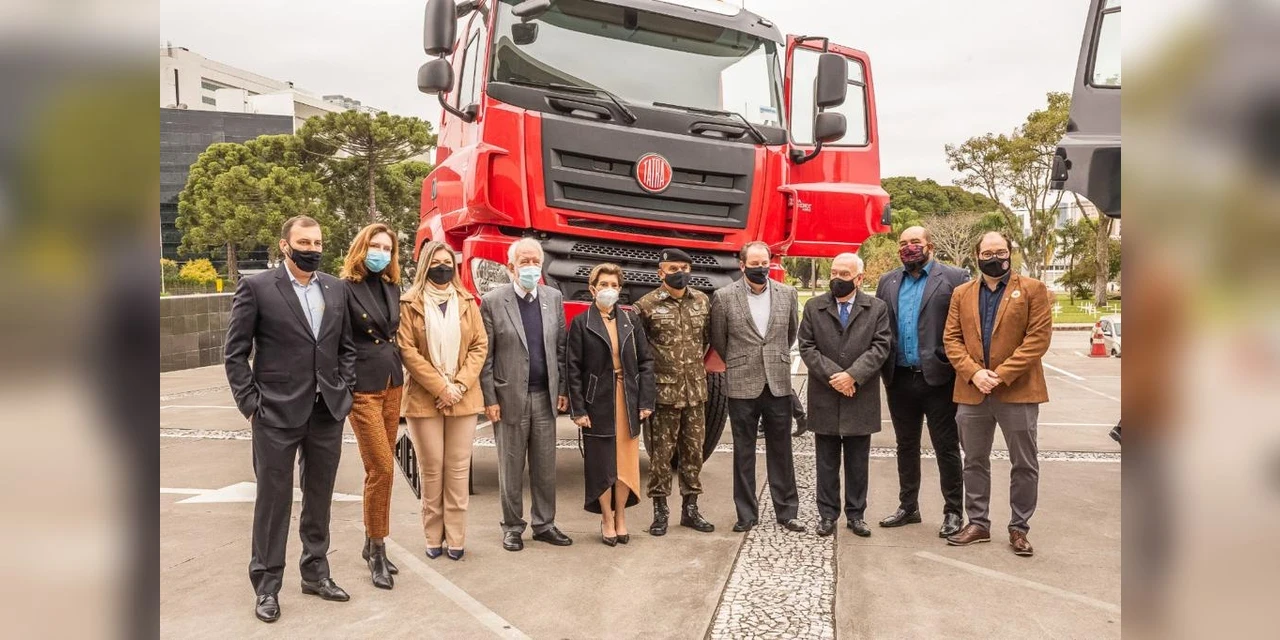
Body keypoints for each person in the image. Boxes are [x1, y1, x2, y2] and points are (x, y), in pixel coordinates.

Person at [224, 215, 355, 623]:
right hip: (275, 414)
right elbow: (235, 352)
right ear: (285, 245)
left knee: (319, 498)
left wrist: (344, 391)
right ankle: (266, 586)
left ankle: (316, 572)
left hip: (325, 412)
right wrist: (251, 404)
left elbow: (346, 347)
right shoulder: (258, 287)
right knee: (273, 503)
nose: (312, 248)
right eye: (304, 241)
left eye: (317, 242)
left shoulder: (336, 288)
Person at [943, 231, 1052, 557]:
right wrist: (974, 372)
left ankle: (1019, 527)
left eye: (1000, 251)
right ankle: (978, 523)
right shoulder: (961, 293)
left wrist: (1000, 375)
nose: (994, 257)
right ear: (976, 256)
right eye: (987, 252)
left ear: (1010, 253)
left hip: (1018, 391)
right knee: (974, 461)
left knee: (1024, 463)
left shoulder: (1033, 289)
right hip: (972, 391)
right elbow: (952, 339)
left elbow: (1038, 339)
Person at [875, 226, 970, 538]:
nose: (908, 247)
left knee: (946, 446)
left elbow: (965, 326)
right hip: (898, 377)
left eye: (915, 242)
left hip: (938, 377)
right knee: (906, 445)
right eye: (903, 243)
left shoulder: (955, 278)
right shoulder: (887, 281)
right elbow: (879, 327)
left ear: (930, 245)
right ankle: (908, 506)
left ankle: (953, 511)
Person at [480, 237, 573, 551]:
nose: (531, 268)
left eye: (536, 261)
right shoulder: (493, 301)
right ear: (511, 267)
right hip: (509, 399)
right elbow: (486, 357)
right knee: (510, 466)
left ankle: (544, 524)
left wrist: (562, 389)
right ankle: (512, 527)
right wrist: (490, 399)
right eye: (525, 262)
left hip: (545, 398)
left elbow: (560, 348)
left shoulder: (553, 298)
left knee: (545, 467)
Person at [399, 240, 489, 561]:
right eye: (436, 262)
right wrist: (440, 387)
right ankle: (432, 536)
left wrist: (459, 385)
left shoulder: (467, 301)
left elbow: (480, 345)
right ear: (425, 265)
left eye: (447, 262)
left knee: (457, 470)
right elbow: (407, 351)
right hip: (425, 400)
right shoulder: (409, 303)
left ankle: (456, 538)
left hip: (463, 398)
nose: (442, 267)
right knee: (432, 469)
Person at [710, 241, 804, 533]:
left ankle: (787, 512)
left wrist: (771, 359)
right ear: (742, 265)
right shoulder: (723, 297)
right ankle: (746, 514)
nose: (761, 268)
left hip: (777, 383)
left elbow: (791, 333)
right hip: (741, 384)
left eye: (765, 263)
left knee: (782, 450)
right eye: (754, 264)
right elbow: (719, 340)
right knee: (744, 451)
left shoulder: (787, 294)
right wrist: (740, 362)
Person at [798, 253, 892, 537]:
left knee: (857, 461)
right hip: (825, 395)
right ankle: (827, 514)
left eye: (844, 274)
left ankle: (856, 514)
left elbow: (880, 346)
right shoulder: (815, 307)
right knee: (825, 460)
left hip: (859, 394)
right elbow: (807, 347)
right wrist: (835, 377)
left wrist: (853, 375)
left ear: (859, 278)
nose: (836, 279)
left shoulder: (876, 308)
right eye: (834, 273)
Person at [566, 264, 657, 545]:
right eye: (603, 284)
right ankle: (606, 517)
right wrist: (578, 409)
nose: (609, 290)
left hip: (627, 399)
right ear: (593, 289)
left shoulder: (630, 321)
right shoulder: (582, 323)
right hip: (598, 402)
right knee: (602, 463)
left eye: (614, 285)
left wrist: (645, 400)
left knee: (625, 465)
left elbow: (646, 362)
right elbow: (573, 368)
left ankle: (621, 517)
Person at [632, 248, 715, 536]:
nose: (679, 273)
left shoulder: (702, 302)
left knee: (693, 454)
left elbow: (706, 341)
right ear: (660, 272)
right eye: (672, 268)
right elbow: (639, 353)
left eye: (684, 267)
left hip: (695, 392)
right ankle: (660, 511)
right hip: (663, 395)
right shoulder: (646, 305)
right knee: (660, 456)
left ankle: (690, 510)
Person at [340, 223, 405, 588]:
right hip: (362, 389)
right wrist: (345, 385)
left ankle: (371, 541)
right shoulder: (344, 289)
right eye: (374, 245)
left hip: (392, 383)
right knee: (381, 468)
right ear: (361, 247)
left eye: (386, 247)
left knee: (380, 470)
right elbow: (337, 340)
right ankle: (377, 548)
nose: (380, 252)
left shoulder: (392, 286)